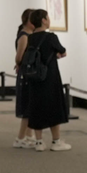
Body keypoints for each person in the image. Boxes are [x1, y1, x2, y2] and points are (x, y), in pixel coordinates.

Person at [16, 9, 71, 152]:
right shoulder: (51, 37)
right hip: (50, 77)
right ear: (43, 20)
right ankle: (56, 141)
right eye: (48, 17)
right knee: (54, 107)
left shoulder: (30, 38)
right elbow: (63, 51)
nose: (49, 20)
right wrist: (56, 54)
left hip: (35, 77)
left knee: (37, 107)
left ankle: (39, 142)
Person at [13, 9, 39, 148]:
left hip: (28, 73)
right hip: (26, 75)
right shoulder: (24, 36)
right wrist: (19, 64)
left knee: (31, 107)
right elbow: (19, 57)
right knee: (27, 108)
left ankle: (29, 135)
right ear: (29, 21)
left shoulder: (29, 35)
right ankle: (20, 137)